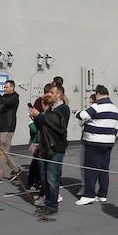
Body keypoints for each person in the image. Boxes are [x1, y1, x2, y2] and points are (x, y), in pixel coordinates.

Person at [74, 84, 118, 205]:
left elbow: (82, 115)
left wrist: (76, 112)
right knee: (104, 169)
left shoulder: (97, 106)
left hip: (94, 142)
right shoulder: (116, 109)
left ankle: (89, 194)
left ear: (98, 94)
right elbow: (116, 127)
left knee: (90, 168)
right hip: (108, 143)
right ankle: (102, 194)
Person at [32, 84, 70, 216]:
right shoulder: (50, 110)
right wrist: (36, 118)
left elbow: (56, 124)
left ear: (58, 94)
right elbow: (42, 125)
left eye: (52, 93)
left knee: (52, 178)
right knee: (44, 178)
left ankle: (52, 205)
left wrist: (40, 116)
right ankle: (48, 202)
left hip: (55, 149)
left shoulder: (63, 109)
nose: (49, 94)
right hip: (44, 148)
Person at [0, 79, 21, 181]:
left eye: (6, 87)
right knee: (0, 151)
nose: (4, 89)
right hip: (1, 126)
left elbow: (6, 102)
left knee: (2, 151)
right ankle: (15, 169)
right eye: (4, 87)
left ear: (12, 88)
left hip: (8, 127)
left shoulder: (14, 98)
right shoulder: (4, 97)